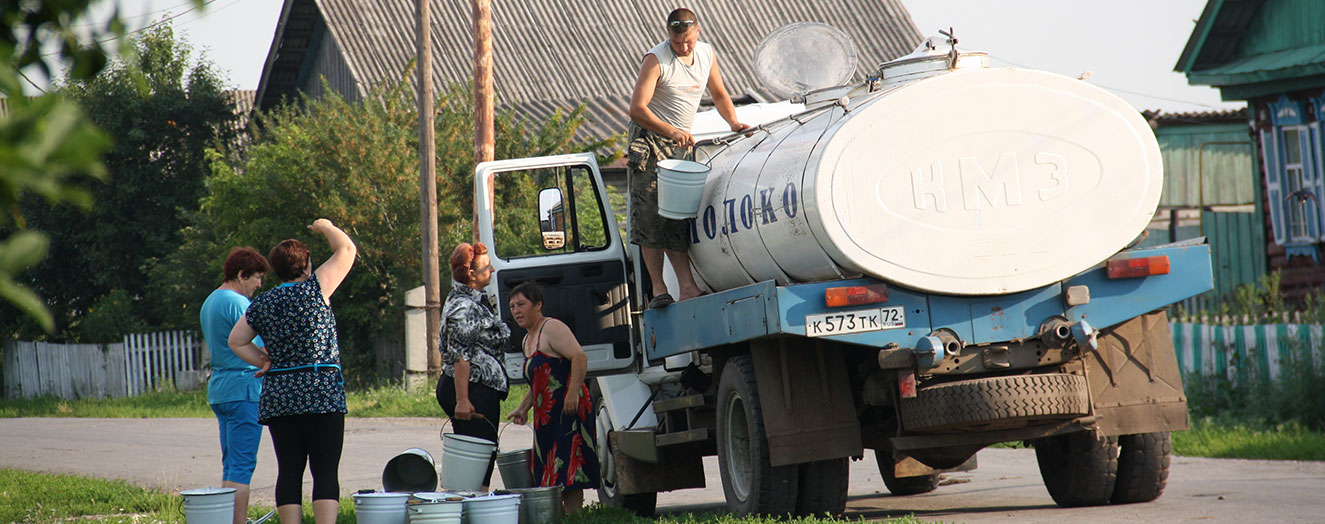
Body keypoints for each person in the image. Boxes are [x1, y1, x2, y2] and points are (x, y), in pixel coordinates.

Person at [228, 219, 356, 524]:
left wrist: (263, 360)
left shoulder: (264, 302)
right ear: (307, 265)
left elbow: (236, 340)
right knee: (324, 470)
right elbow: (346, 248)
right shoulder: (317, 288)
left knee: (289, 470)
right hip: (320, 391)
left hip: (280, 395)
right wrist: (325, 226)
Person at [627, 7, 749, 309]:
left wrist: (733, 122)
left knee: (676, 214)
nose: (683, 47)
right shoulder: (656, 60)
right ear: (669, 36)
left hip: (680, 143)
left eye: (688, 42)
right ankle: (658, 289)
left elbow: (719, 93)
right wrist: (670, 130)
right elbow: (637, 108)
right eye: (677, 42)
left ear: (698, 32)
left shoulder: (706, 53)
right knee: (649, 214)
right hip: (650, 139)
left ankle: (687, 287)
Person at [506, 281, 599, 514]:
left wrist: (572, 393)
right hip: (546, 415)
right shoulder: (527, 340)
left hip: (569, 408)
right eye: (512, 306)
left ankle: (574, 517)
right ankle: (557, 518)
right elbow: (540, 382)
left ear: (538, 305)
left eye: (521, 304)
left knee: (569, 466)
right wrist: (523, 408)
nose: (516, 310)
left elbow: (579, 357)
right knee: (547, 470)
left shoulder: (552, 328)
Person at [200, 246, 270, 524]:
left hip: (220, 390)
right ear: (241, 275)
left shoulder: (211, 301)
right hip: (244, 389)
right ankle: (238, 522)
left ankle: (228, 519)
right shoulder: (239, 304)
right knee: (242, 467)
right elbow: (261, 346)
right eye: (256, 278)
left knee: (230, 465)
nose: (259, 285)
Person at [436, 242, 510, 491]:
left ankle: (471, 505)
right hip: (471, 388)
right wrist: (462, 400)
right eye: (486, 267)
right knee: (479, 456)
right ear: (471, 275)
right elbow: (461, 357)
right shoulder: (464, 307)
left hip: (475, 386)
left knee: (479, 453)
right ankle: (474, 506)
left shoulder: (467, 299)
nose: (492, 270)